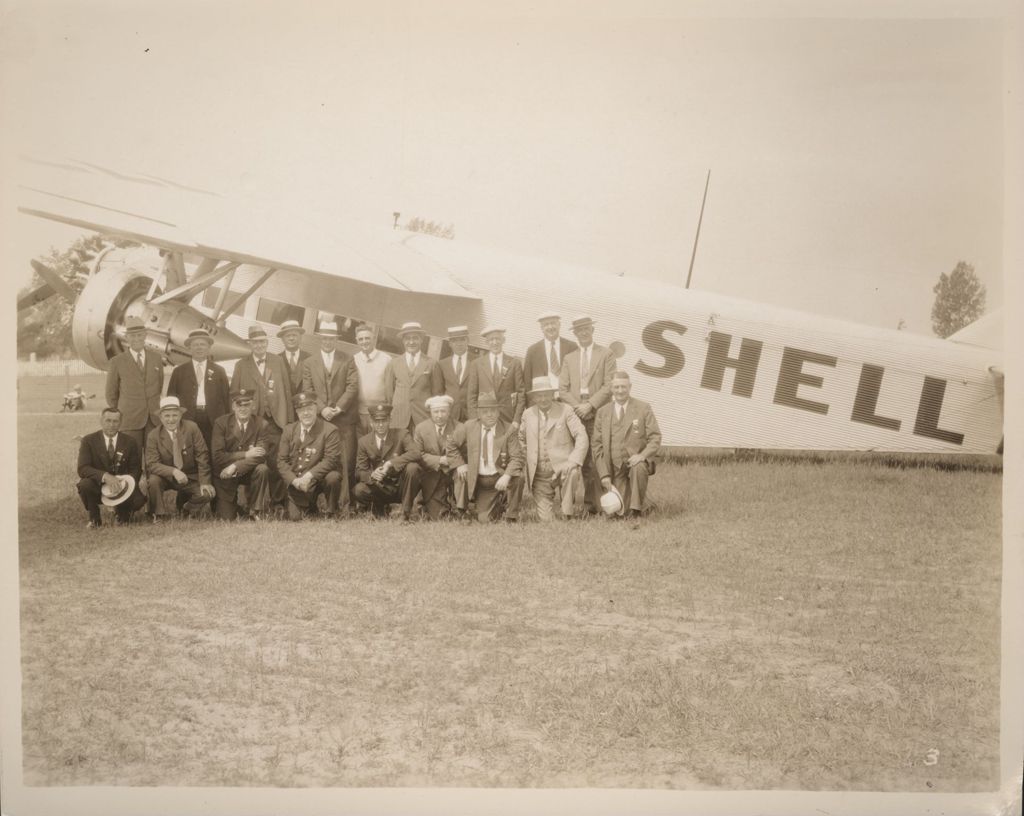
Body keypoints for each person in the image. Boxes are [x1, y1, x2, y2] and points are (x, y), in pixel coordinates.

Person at [300, 320, 360, 515]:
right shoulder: (309, 362)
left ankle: (343, 507)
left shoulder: (347, 359)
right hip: (320, 420)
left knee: (345, 462)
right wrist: (322, 409)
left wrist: (338, 408)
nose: (327, 341)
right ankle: (314, 504)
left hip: (343, 420)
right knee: (318, 461)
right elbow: (308, 389)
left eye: (331, 338)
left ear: (336, 340)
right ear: (320, 339)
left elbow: (352, 387)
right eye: (324, 338)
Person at [559, 315, 616, 515]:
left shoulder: (606, 354)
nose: (583, 333)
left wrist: (590, 405)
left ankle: (594, 504)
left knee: (596, 457)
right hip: (576, 414)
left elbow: (609, 385)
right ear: (574, 334)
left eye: (586, 329)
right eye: (579, 330)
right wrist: (578, 407)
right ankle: (571, 504)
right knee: (576, 457)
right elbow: (563, 389)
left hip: (598, 412)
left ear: (592, 330)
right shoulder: (569, 358)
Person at [230, 325, 293, 504]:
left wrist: (288, 421)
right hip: (252, 423)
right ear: (250, 344)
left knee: (277, 462)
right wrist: (237, 422)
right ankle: (253, 504)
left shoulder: (277, 361)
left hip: (275, 421)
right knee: (254, 461)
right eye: (255, 343)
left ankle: (279, 502)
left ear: (267, 343)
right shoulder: (241, 365)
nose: (259, 346)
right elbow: (234, 395)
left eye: (262, 342)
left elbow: (287, 392)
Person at [592, 372, 662, 518]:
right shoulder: (602, 412)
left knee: (638, 468)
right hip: (613, 467)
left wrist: (642, 456)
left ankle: (637, 512)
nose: (620, 391)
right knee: (616, 511)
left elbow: (655, 437)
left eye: (623, 387)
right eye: (616, 387)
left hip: (634, 465)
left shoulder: (643, 408)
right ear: (611, 389)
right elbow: (596, 446)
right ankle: (644, 503)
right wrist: (604, 475)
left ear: (630, 387)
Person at [518, 377, 588, 521]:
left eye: (546, 394)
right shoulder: (528, 414)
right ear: (534, 397)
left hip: (564, 469)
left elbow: (582, 436)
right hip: (540, 476)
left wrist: (572, 461)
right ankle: (547, 508)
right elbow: (521, 439)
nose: (543, 399)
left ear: (552, 395)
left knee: (573, 473)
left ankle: (567, 512)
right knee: (546, 521)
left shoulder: (566, 410)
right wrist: (530, 458)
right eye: (539, 395)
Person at [449, 391, 524, 523]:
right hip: (477, 479)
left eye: (493, 411)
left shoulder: (509, 429)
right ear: (478, 414)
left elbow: (517, 458)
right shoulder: (468, 427)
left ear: (498, 412)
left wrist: (506, 476)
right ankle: (463, 510)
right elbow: (451, 445)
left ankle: (511, 515)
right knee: (484, 520)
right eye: (485, 411)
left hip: (498, 477)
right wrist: (460, 464)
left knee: (518, 477)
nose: (489, 414)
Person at [145, 396, 215, 520]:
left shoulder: (192, 428)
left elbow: (202, 455)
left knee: (207, 494)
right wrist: (173, 471)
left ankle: (186, 509)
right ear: (160, 417)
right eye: (167, 416)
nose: (171, 420)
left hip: (190, 476)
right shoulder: (153, 435)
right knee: (153, 481)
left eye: (174, 415)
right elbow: (152, 463)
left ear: (180, 416)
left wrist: (204, 482)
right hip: (165, 477)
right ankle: (158, 515)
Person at [277, 390, 343, 520]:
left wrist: (309, 476)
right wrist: (294, 481)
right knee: (294, 518)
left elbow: (330, 460)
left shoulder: (330, 430)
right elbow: (281, 461)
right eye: (302, 410)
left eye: (309, 409)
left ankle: (331, 511)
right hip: (298, 479)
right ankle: (311, 506)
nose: (306, 413)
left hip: (319, 478)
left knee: (333, 478)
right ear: (297, 412)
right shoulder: (289, 430)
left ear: (316, 409)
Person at [210, 388, 274, 521]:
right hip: (224, 473)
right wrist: (246, 454)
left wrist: (235, 466)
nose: (243, 408)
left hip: (247, 470)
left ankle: (255, 510)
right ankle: (235, 507)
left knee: (262, 469)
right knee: (227, 518)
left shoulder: (262, 424)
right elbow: (218, 456)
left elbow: (260, 455)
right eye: (239, 405)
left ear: (253, 406)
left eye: (247, 405)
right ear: (233, 406)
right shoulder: (221, 423)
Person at [76, 407, 146, 527]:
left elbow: (136, 469)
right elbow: (83, 468)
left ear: (121, 423)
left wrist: (124, 485)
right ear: (101, 421)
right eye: (108, 421)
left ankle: (122, 512)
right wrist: (105, 477)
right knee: (84, 485)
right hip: (98, 485)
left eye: (115, 421)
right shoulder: (88, 440)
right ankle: (94, 518)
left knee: (138, 501)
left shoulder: (130, 441)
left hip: (121, 486)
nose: (111, 425)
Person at [166, 328, 231, 452]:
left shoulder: (219, 371)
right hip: (188, 418)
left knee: (213, 452)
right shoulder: (179, 371)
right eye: (195, 345)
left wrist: (225, 423)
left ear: (209, 348)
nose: (199, 348)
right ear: (189, 348)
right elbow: (171, 399)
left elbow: (226, 399)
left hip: (213, 420)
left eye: (202, 344)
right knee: (189, 451)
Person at [105, 315, 163, 451]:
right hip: (129, 419)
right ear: (126, 337)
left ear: (145, 335)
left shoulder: (156, 358)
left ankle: (151, 474)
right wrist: (123, 411)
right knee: (131, 457)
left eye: (139, 335)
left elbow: (159, 386)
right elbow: (111, 394)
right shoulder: (117, 361)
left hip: (153, 418)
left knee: (153, 457)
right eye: (132, 336)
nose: (136, 339)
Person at [353, 402, 420, 519]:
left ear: (390, 420)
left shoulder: (402, 434)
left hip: (401, 486)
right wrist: (372, 475)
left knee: (413, 467)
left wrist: (391, 463)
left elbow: (416, 453)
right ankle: (380, 509)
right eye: (376, 421)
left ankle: (405, 512)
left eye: (383, 421)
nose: (380, 425)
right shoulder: (364, 441)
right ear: (371, 422)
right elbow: (359, 471)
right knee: (358, 490)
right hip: (380, 486)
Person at [408, 394, 462, 520]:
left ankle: (461, 508)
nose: (439, 415)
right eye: (436, 412)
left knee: (462, 474)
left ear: (449, 412)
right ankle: (434, 504)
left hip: (453, 472)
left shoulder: (459, 427)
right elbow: (418, 454)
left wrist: (454, 462)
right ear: (430, 413)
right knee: (437, 516)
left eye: (443, 411)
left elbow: (465, 451)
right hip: (433, 474)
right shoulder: (421, 428)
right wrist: (439, 460)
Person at [383, 321, 444, 432]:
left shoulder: (431, 363)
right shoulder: (394, 363)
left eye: (415, 338)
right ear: (403, 341)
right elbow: (389, 395)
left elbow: (437, 395)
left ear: (421, 340)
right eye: (407, 338)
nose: (411, 342)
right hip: (398, 418)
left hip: (422, 418)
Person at [466, 326, 525, 431]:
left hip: (508, 419)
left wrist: (516, 420)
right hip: (483, 418)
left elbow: (521, 394)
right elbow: (471, 395)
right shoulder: (477, 364)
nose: (495, 342)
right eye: (491, 340)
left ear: (503, 340)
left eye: (497, 339)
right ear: (486, 342)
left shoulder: (514, 363)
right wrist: (475, 419)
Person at [522, 312, 577, 400]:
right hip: (543, 401)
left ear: (559, 325)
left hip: (568, 400)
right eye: (546, 324)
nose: (550, 327)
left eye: (553, 323)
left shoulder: (572, 347)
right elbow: (527, 381)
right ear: (541, 328)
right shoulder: (533, 351)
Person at [352, 323, 391, 436]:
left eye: (367, 338)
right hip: (359, 413)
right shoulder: (354, 359)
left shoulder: (386, 359)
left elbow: (390, 388)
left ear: (374, 339)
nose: (364, 341)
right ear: (357, 340)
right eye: (361, 339)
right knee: (361, 445)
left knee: (377, 446)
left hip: (379, 413)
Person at [438, 325, 471, 423]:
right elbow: (439, 392)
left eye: (462, 340)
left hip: (469, 416)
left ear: (468, 340)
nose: (459, 344)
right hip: (448, 414)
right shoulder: (442, 364)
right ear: (450, 343)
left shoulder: (476, 363)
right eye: (455, 341)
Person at [276, 319, 310, 394]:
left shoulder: (310, 359)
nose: (291, 338)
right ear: (282, 339)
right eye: (288, 336)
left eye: (294, 335)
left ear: (300, 337)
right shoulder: (276, 360)